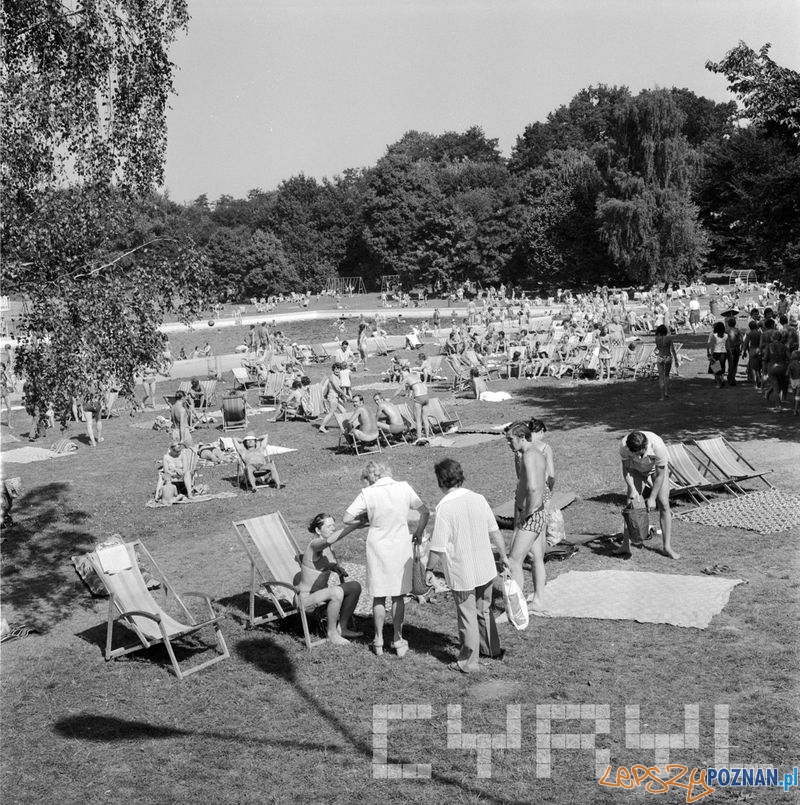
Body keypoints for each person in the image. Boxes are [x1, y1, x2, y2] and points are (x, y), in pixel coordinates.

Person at [427, 458, 508, 673]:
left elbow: (438, 546)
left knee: (467, 615)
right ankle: (491, 648)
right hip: (484, 566)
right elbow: (495, 531)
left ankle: (469, 662)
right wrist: (504, 555)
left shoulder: (444, 507)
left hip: (462, 570)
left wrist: (428, 569)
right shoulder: (479, 498)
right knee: (484, 609)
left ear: (441, 481)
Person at [342, 461, 429, 657]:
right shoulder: (404, 487)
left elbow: (346, 518)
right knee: (398, 594)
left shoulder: (368, 493)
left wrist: (365, 521)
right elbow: (424, 511)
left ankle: (378, 639)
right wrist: (419, 531)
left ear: (370, 477)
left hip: (377, 545)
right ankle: (397, 639)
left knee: (379, 595)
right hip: (399, 544)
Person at [297, 513, 363, 645]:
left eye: (333, 525)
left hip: (320, 594)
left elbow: (322, 564)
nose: (333, 528)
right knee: (336, 592)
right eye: (329, 526)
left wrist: (334, 568)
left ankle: (342, 628)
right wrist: (355, 526)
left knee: (355, 586)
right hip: (305, 598)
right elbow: (329, 540)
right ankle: (331, 633)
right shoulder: (314, 544)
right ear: (318, 530)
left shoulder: (328, 549)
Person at [505, 422, 548, 612]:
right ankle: (538, 601)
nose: (508, 443)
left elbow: (532, 487)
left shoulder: (529, 456)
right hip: (539, 512)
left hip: (531, 514)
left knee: (514, 561)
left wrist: (526, 513)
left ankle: (515, 609)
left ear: (522, 437)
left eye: (510, 439)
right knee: (536, 557)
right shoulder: (537, 452)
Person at [619, 430, 679, 559]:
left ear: (644, 446)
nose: (637, 455)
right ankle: (625, 545)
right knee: (631, 505)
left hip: (655, 471)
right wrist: (633, 489)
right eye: (634, 453)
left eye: (639, 453)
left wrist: (652, 498)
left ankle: (667, 547)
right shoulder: (624, 446)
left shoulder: (658, 446)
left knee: (664, 503)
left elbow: (660, 474)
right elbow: (626, 471)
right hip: (635, 470)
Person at [397, 370, 431, 444]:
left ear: (405, 372)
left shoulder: (406, 378)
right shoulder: (416, 376)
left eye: (402, 373)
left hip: (418, 397)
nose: (401, 375)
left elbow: (398, 390)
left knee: (418, 420)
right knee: (425, 419)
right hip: (426, 396)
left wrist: (390, 398)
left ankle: (419, 439)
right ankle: (427, 437)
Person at [318, 363, 347, 433]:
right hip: (332, 397)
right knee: (331, 412)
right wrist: (346, 395)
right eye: (335, 369)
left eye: (338, 369)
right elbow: (337, 388)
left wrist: (342, 396)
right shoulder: (331, 377)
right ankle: (322, 427)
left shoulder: (338, 377)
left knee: (344, 411)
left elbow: (338, 388)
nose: (337, 370)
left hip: (337, 397)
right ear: (333, 369)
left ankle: (345, 426)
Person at [654, 324, 679, 400]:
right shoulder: (669, 338)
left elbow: (657, 349)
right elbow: (673, 350)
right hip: (667, 356)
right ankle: (666, 392)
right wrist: (676, 360)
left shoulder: (656, 339)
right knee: (666, 376)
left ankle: (662, 396)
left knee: (661, 377)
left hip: (660, 357)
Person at [707, 321, 729, 389]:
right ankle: (722, 379)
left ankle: (718, 383)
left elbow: (709, 344)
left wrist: (708, 353)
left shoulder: (713, 335)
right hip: (723, 353)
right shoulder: (726, 335)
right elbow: (727, 345)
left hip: (715, 353)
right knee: (722, 368)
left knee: (716, 369)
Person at [83, 381, 104, 447]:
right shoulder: (98, 385)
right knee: (98, 420)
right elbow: (102, 394)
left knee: (89, 423)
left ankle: (93, 443)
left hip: (88, 404)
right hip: (97, 403)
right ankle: (99, 438)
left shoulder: (84, 386)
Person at [725, 317, 743, 386]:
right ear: (735, 324)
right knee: (735, 365)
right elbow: (741, 340)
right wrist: (740, 348)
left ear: (728, 324)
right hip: (736, 349)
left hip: (729, 349)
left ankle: (730, 377)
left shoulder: (726, 331)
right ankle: (732, 378)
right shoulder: (737, 331)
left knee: (730, 364)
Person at [787, 349, 800, 415]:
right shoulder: (799, 364)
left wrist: (790, 377)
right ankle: (796, 410)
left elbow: (787, 373)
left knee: (794, 395)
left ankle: (794, 409)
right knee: (798, 396)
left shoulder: (791, 364)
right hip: (799, 381)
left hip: (793, 381)